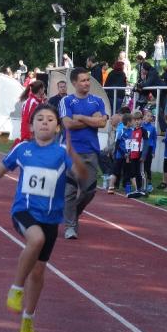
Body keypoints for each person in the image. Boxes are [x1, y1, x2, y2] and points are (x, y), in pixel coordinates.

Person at [0, 105, 86, 332]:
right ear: (31, 126)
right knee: (36, 239)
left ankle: (28, 317)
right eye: (39, 119)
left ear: (57, 127)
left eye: (50, 119)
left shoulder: (62, 153)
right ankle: (16, 288)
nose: (44, 122)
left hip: (50, 218)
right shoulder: (22, 149)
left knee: (38, 271)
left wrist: (75, 155)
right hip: (24, 211)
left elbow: (83, 175)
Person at [59, 67, 108, 239]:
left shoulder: (97, 101)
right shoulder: (66, 101)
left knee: (89, 192)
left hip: (91, 152)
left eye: (88, 80)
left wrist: (80, 117)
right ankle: (70, 226)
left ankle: (72, 213)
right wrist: (92, 120)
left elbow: (102, 123)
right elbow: (68, 124)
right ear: (74, 83)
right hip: (71, 152)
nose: (87, 83)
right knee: (70, 191)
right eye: (83, 80)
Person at [141, 109, 157, 193]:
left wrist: (153, 151)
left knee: (147, 167)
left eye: (151, 116)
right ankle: (141, 184)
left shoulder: (152, 128)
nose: (149, 117)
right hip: (141, 148)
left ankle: (149, 184)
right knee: (141, 167)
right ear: (144, 117)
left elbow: (154, 140)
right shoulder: (141, 126)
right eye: (147, 116)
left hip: (149, 148)